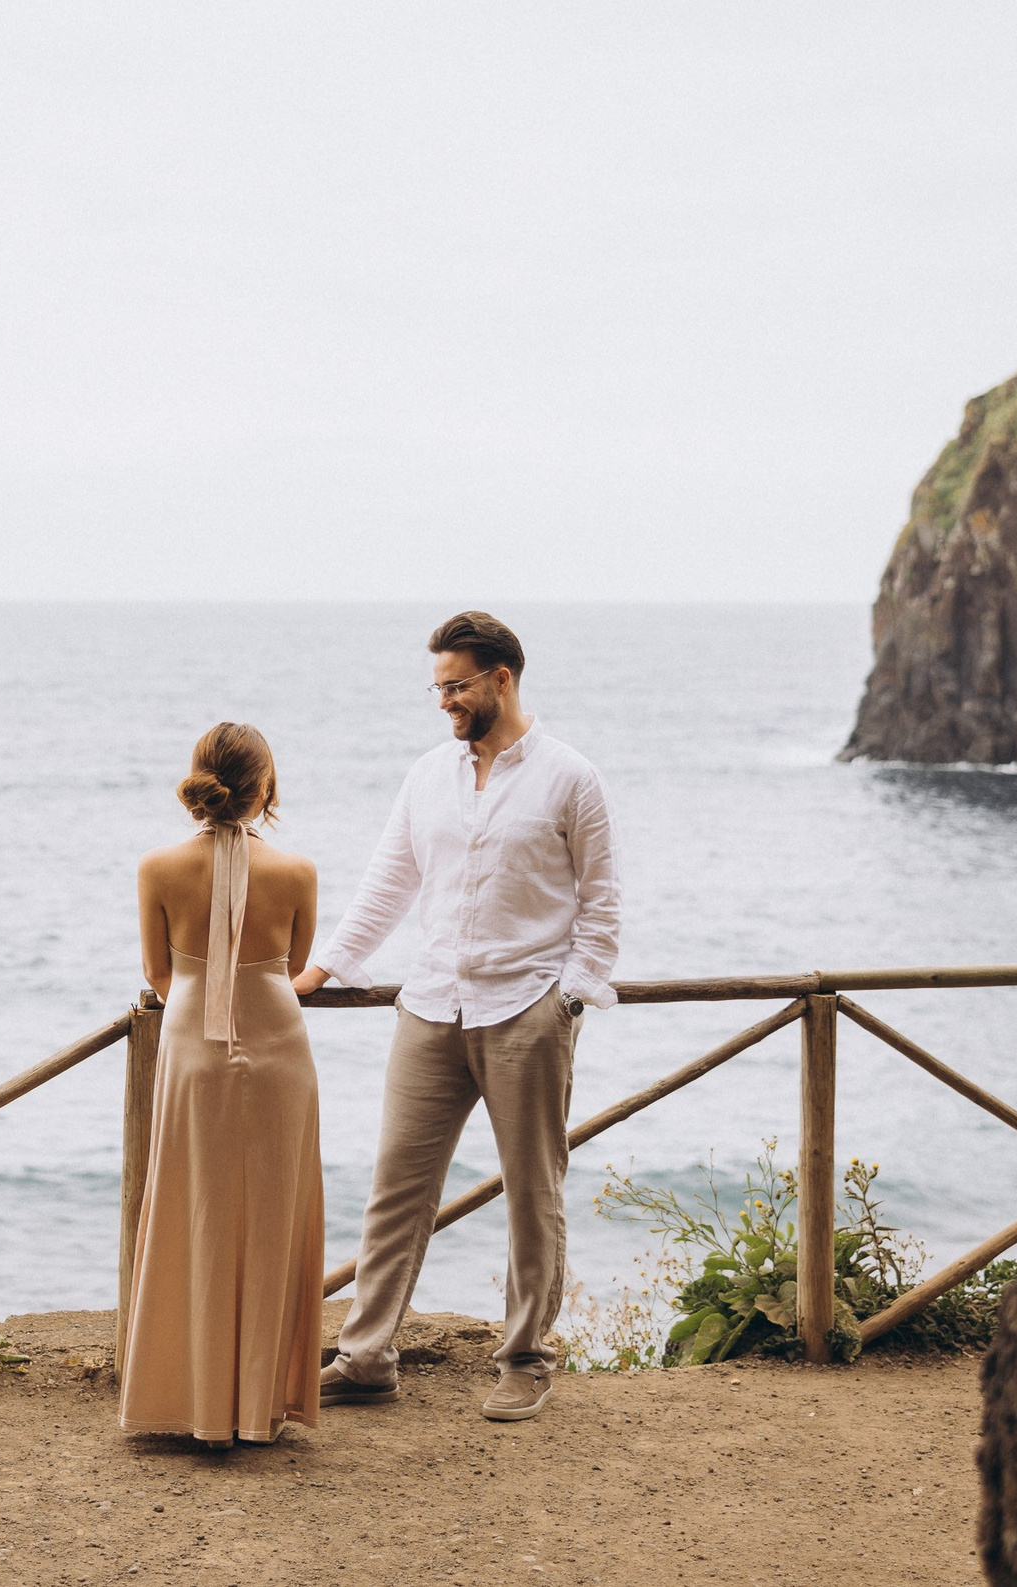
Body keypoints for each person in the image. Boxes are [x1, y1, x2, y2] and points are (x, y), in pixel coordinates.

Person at [292, 611, 620, 1422]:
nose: (443, 702)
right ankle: (365, 1356)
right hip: (430, 1004)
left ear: (500, 679)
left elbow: (602, 903)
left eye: (455, 686)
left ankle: (526, 1358)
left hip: (526, 1009)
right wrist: (322, 970)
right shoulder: (427, 776)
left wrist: (569, 997)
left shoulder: (571, 777)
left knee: (530, 1192)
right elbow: (387, 883)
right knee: (395, 1187)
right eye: (436, 687)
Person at [118, 722, 326, 1447]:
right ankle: (258, 1405)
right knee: (272, 1217)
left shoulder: (156, 867)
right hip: (280, 1048)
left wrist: (202, 996)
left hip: (192, 1043)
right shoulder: (298, 871)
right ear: (264, 786)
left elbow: (158, 972)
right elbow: (295, 964)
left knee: (192, 1210)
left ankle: (196, 1402)